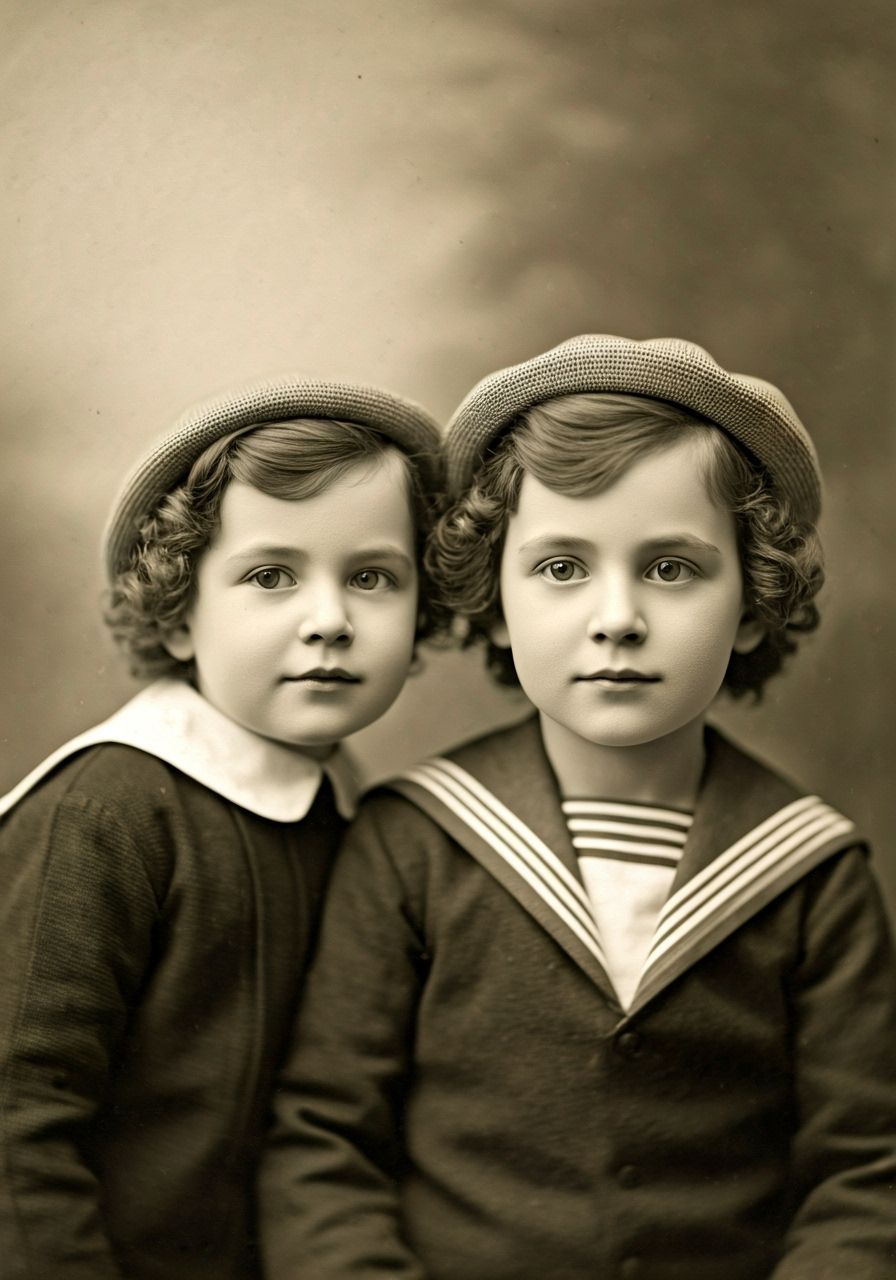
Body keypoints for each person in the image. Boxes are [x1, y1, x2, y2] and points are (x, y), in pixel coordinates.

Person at [259, 336, 896, 1280]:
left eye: (672, 569)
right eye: (562, 568)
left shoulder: (812, 871)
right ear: (497, 598)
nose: (617, 617)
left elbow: (863, 1176)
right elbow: (322, 1146)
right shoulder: (415, 842)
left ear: (755, 602)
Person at [0, 374, 442, 1280]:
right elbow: (15, 1126)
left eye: (372, 578)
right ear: (179, 612)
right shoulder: (107, 813)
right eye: (271, 577)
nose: (330, 622)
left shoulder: (377, 825)